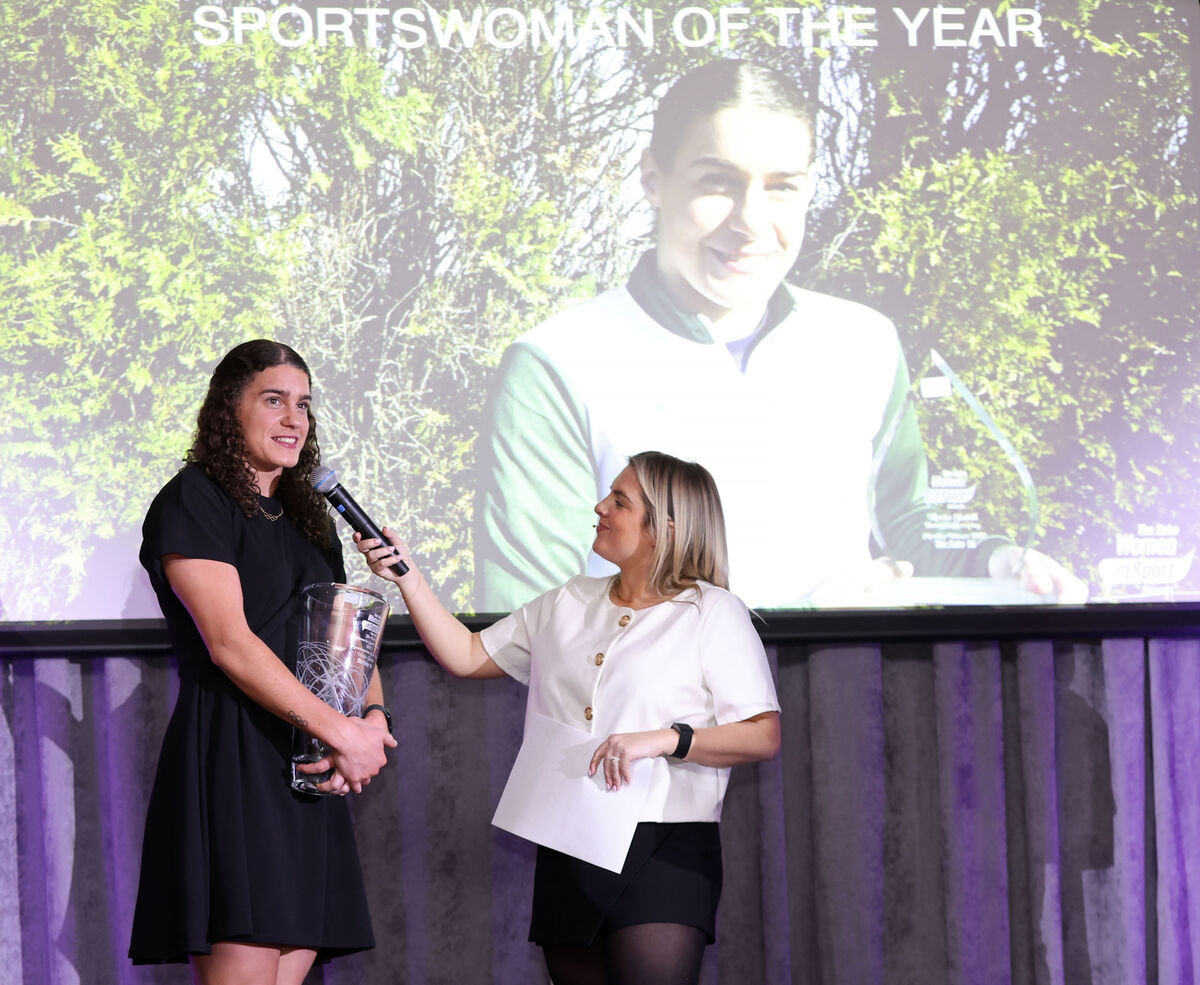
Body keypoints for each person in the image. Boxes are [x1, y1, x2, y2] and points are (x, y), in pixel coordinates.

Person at [474, 58, 1086, 612]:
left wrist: (997, 564)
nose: (750, 222)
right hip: (644, 734)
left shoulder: (865, 341)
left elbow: (906, 522)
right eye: (718, 181)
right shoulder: (557, 363)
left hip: (852, 708)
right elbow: (528, 631)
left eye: (782, 187)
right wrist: (812, 622)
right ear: (654, 180)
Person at [358, 450, 781, 985]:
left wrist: (664, 739)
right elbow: (466, 656)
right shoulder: (568, 600)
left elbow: (762, 735)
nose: (600, 506)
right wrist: (408, 579)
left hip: (665, 847)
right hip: (570, 837)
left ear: (665, 527)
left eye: (620, 501)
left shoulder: (712, 611)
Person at [128, 340, 398, 982]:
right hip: (234, 756)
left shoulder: (311, 518)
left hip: (309, 766)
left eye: (303, 405)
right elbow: (230, 643)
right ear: (230, 410)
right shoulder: (195, 499)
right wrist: (344, 733)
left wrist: (373, 721)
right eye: (273, 400)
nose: (293, 420)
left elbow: (347, 639)